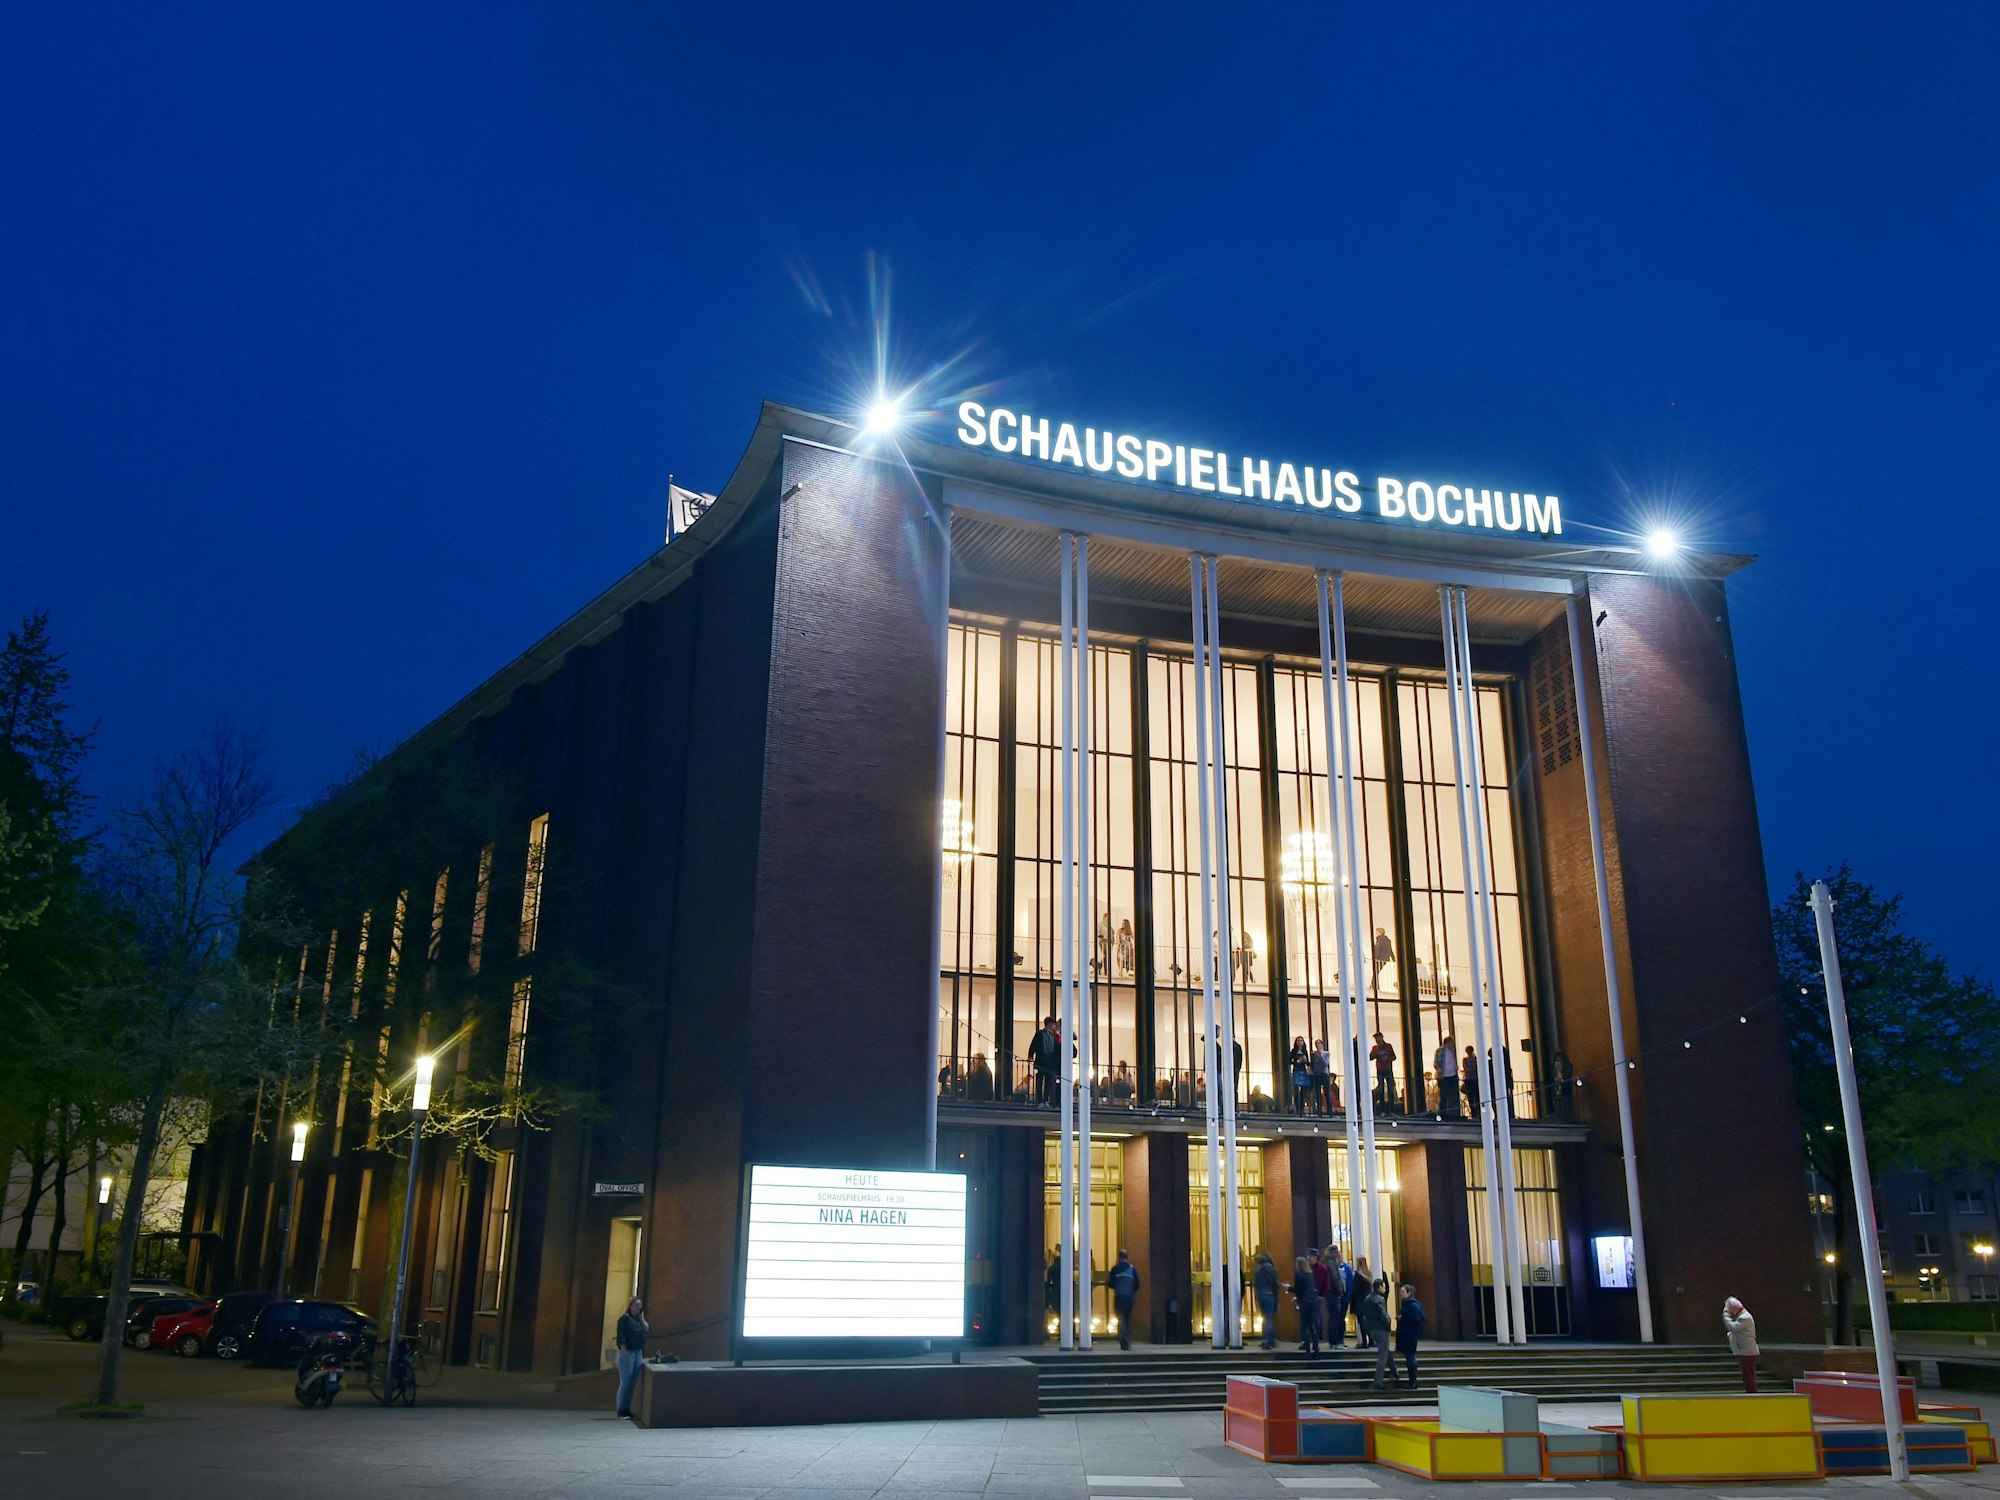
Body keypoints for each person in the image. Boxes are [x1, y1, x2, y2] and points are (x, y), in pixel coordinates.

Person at [613, 1296, 648, 1419]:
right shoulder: (624, 1319)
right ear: (631, 1306)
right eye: (637, 1304)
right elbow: (620, 1334)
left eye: (640, 1305)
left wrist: (642, 1319)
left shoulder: (638, 1319)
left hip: (638, 1352)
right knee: (625, 1381)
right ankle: (621, 1409)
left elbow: (647, 1329)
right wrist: (623, 1348)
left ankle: (628, 1408)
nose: (639, 1307)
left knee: (633, 1382)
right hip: (627, 1352)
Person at [1358, 1277, 1393, 1388]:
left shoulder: (1367, 1298)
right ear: (1379, 1287)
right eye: (1383, 1286)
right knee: (1382, 1355)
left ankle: (1395, 1371)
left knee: (1385, 1350)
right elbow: (1383, 1315)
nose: (1385, 1288)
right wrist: (1388, 1325)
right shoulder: (1380, 1299)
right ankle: (1378, 1380)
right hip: (1381, 1329)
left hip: (1371, 1329)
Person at [1723, 1297, 1760, 1391]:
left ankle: (1752, 1395)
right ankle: (1751, 1393)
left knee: (1748, 1377)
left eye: (1730, 1311)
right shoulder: (1742, 1317)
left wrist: (1726, 1316)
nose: (1730, 1313)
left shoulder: (1745, 1318)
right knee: (1747, 1376)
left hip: (1747, 1352)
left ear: (1735, 1308)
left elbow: (1734, 1328)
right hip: (1744, 1351)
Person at [1394, 1282, 1426, 1387]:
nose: (1401, 1294)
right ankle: (1412, 1381)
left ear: (1408, 1293)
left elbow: (1415, 1319)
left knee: (1410, 1357)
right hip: (1409, 1335)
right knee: (1410, 1357)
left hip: (1409, 1335)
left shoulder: (1412, 1305)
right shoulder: (1409, 1304)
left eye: (1403, 1292)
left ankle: (1412, 1381)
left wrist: (1403, 1318)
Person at [1108, 1249, 1141, 1350]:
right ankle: (1126, 1339)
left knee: (1120, 1318)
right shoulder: (1132, 1269)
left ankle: (1123, 1339)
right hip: (1129, 1298)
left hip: (1119, 1297)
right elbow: (1137, 1284)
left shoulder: (1115, 1269)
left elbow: (1110, 1283)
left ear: (1119, 1257)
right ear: (1127, 1257)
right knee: (1126, 1319)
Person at [1291, 1256, 1321, 1356]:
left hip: (1304, 1302)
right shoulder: (1310, 1274)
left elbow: (1299, 1289)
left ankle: (1307, 1348)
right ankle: (1316, 1349)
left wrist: (1289, 1288)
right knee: (1313, 1326)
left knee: (1305, 1325)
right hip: (1314, 1301)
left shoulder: (1298, 1274)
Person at [1028, 1015, 1061, 1106]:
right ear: (1049, 1024)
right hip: (1041, 1062)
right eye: (1053, 1025)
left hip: (1050, 1063)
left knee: (1048, 1082)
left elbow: (1056, 1049)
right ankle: (1039, 1101)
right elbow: (1033, 1045)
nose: (1054, 1026)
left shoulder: (1053, 1036)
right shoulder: (1039, 1034)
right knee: (1039, 1081)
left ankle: (1046, 1100)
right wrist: (1030, 1056)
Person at [1325, 1245, 1352, 1346]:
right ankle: (1335, 1341)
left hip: (1337, 1294)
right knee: (1335, 1318)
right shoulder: (1331, 1264)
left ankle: (1336, 1340)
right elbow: (1336, 1279)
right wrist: (1340, 1291)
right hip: (1336, 1294)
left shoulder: (1329, 1263)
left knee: (1336, 1318)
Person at [1252, 1252, 1280, 1349]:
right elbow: (1274, 1283)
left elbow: (1255, 1283)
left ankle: (1271, 1339)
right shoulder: (1270, 1268)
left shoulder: (1257, 1270)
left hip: (1260, 1294)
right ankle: (1266, 1339)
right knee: (1269, 1317)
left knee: (1265, 1317)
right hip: (1269, 1294)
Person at [1309, 1250, 1334, 1349]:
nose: (1309, 1258)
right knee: (1309, 1320)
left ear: (1316, 1257)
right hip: (1308, 1296)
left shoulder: (1322, 1268)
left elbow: (1326, 1282)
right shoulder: (1307, 1267)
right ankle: (1309, 1340)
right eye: (1309, 1256)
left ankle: (1317, 1340)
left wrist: (1321, 1295)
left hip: (1317, 1296)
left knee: (1317, 1319)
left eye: (1311, 1256)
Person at [1370, 1031, 1398, 1112]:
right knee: (1381, 1090)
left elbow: (1394, 1057)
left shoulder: (1388, 1046)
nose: (1377, 1040)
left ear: (1381, 1037)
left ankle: (1391, 1110)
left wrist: (1387, 1058)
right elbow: (1370, 1057)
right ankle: (1383, 1110)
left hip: (1388, 1070)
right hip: (1380, 1071)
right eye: (1376, 1039)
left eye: (1378, 1038)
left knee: (1391, 1090)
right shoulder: (1375, 1048)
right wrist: (1376, 1054)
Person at [1435, 1035, 1460, 1119]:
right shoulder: (1441, 1050)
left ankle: (1452, 1112)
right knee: (1444, 1095)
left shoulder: (1451, 1051)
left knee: (1451, 1095)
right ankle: (1443, 1113)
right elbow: (1437, 1063)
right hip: (1444, 1076)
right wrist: (1440, 1070)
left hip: (1452, 1075)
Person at [1288, 1036, 1311, 1113]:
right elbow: (1289, 1061)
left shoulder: (1305, 1051)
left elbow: (1308, 1063)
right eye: (1298, 1041)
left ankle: (1302, 1108)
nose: (1300, 1042)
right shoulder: (1293, 1051)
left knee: (1303, 1092)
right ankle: (1297, 1109)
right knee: (1296, 1091)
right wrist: (1297, 1061)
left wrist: (1306, 1061)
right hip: (1297, 1071)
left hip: (1303, 1071)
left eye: (1301, 1041)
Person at [1310, 1039, 1333, 1115]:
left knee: (1327, 1092)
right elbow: (1313, 1065)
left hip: (1324, 1074)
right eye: (1316, 1044)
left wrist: (1320, 1054)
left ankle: (1329, 1111)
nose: (1317, 1045)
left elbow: (1325, 1063)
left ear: (1322, 1044)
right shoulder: (1314, 1054)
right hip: (1317, 1075)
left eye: (1319, 1043)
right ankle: (1319, 1111)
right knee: (1317, 1093)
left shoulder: (1326, 1053)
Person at [1463, 1044, 1481, 1117]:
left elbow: (1468, 1069)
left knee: (1476, 1097)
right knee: (1471, 1097)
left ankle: (1477, 1112)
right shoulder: (1466, 1060)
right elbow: (1467, 1069)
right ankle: (1474, 1113)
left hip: (1474, 1079)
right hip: (1470, 1080)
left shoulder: (1476, 1059)